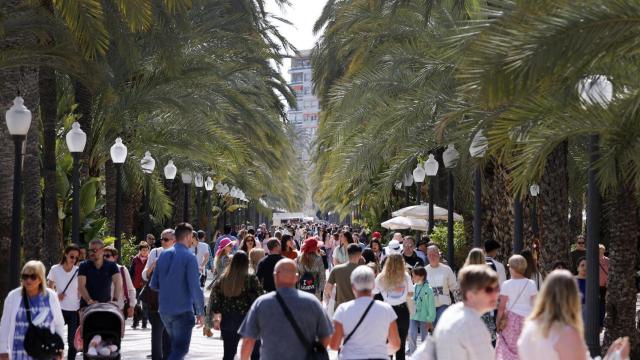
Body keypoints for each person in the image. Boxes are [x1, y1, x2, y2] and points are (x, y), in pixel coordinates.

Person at [518, 270, 630, 360]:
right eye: (576, 292)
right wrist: (615, 357)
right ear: (571, 297)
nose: (580, 295)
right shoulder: (566, 332)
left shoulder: (529, 327)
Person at [239, 259, 333, 360]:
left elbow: (248, 340)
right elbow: (327, 336)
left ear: (275, 275)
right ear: (297, 278)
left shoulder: (261, 303)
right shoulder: (312, 302)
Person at [417, 265, 499, 359]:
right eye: (489, 290)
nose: (495, 294)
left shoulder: (452, 311)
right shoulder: (472, 324)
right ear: (470, 295)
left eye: (496, 288)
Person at [150, 222, 205, 360]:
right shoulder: (189, 257)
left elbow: (154, 284)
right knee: (180, 349)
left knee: (174, 347)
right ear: (188, 237)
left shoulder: (162, 256)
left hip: (164, 310)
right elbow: (195, 287)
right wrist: (200, 312)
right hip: (182, 310)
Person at [329, 265, 400, 359]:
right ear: (373, 285)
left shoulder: (343, 309)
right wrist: (379, 351)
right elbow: (395, 344)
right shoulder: (386, 309)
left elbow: (334, 345)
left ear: (353, 286)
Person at [0, 261, 66, 360]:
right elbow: (5, 325)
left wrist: (59, 349)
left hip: (44, 351)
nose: (28, 280)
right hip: (18, 352)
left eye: (33, 276)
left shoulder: (51, 296)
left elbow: (59, 324)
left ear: (40, 279)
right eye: (25, 276)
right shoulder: (13, 297)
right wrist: (3, 350)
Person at [206, 251, 263, 360]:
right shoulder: (251, 278)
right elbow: (260, 297)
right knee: (255, 353)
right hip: (249, 319)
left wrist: (216, 319)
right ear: (247, 262)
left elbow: (216, 302)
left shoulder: (223, 278)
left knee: (228, 354)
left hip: (228, 319)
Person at [495, 255, 538, 360]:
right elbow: (536, 305)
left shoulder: (506, 284)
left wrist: (498, 322)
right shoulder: (531, 283)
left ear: (512, 268)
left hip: (511, 320)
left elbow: (502, 306)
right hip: (527, 321)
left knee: (509, 349)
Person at [373, 254, 413, 360]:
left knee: (386, 343)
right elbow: (411, 293)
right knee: (401, 344)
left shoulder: (381, 277)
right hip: (403, 311)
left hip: (386, 311)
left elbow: (373, 292)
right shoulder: (406, 276)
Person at [143, 229, 175, 360]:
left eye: (166, 239)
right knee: (156, 337)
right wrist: (154, 265)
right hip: (156, 301)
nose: (162, 241)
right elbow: (145, 275)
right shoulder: (154, 252)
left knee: (169, 338)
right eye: (161, 239)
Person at [46, 245, 81, 360]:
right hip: (58, 309)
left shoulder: (78, 270)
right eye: (71, 256)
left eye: (76, 257)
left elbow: (82, 287)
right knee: (55, 339)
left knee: (72, 342)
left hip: (74, 310)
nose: (74, 259)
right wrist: (56, 295)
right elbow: (48, 288)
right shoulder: (55, 269)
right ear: (65, 254)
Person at [463, 248, 498, 346]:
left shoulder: (464, 274)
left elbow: (459, 294)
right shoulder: (488, 274)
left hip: (469, 314)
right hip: (486, 313)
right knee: (489, 344)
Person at [78, 239, 122, 308]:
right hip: (87, 306)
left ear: (102, 251)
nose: (91, 253)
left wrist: (115, 300)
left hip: (106, 306)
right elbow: (81, 286)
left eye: (94, 250)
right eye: (90, 250)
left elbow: (118, 283)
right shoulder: (83, 265)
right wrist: (89, 300)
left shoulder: (112, 265)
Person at [425, 244, 458, 325]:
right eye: (430, 255)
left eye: (434, 254)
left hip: (444, 304)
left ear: (438, 255)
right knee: (433, 330)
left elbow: (454, 287)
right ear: (427, 256)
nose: (432, 257)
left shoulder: (447, 269)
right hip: (429, 306)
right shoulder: (424, 271)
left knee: (440, 325)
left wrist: (458, 301)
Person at [407, 266, 435, 356]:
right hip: (413, 315)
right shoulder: (413, 287)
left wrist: (430, 319)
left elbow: (431, 306)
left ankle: (424, 356)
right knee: (411, 334)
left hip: (424, 317)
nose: (412, 278)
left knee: (424, 338)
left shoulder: (429, 289)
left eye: (414, 276)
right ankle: (413, 355)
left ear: (421, 276)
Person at [325, 244, 363, 310]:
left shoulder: (336, 269)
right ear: (360, 255)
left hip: (340, 308)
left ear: (348, 253)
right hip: (357, 309)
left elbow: (327, 289)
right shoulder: (363, 271)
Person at [103, 246, 136, 319]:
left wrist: (132, 306)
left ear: (115, 257)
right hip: (101, 309)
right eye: (103, 256)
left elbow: (130, 289)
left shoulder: (122, 270)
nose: (104, 258)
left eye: (107, 256)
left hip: (118, 309)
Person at [129, 241, 149, 329]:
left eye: (146, 250)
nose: (145, 252)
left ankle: (144, 322)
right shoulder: (135, 259)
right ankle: (135, 322)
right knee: (136, 305)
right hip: (136, 285)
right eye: (143, 250)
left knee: (145, 305)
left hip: (145, 285)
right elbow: (131, 272)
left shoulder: (150, 259)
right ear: (140, 251)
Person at [598, 244, 609, 328]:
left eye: (602, 251)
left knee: (603, 304)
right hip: (595, 287)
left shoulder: (608, 261)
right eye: (599, 252)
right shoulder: (592, 261)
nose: (600, 253)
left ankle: (601, 322)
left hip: (605, 287)